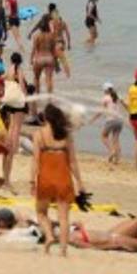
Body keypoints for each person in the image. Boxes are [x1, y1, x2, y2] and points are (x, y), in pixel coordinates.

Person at [33, 103, 84, 255]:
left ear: (46, 118)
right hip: (63, 178)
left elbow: (35, 160)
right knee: (63, 217)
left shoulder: (39, 135)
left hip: (45, 178)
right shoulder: (66, 136)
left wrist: (31, 180)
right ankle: (63, 249)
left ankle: (48, 235)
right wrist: (80, 182)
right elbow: (73, 162)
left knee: (41, 213)